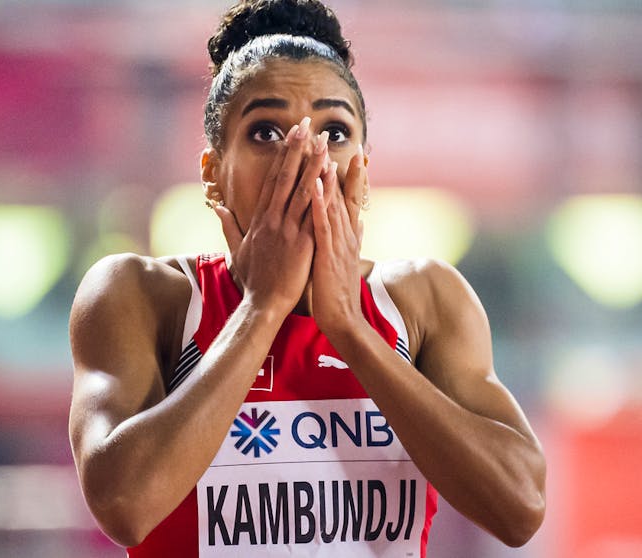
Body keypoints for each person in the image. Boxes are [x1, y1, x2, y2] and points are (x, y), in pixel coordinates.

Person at [69, 1, 546, 555]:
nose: (304, 157)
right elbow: (125, 506)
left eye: (335, 132)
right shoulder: (143, 295)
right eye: (267, 132)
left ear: (363, 172)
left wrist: (349, 327)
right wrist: (261, 307)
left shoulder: (421, 300)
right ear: (214, 174)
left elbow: (521, 507)